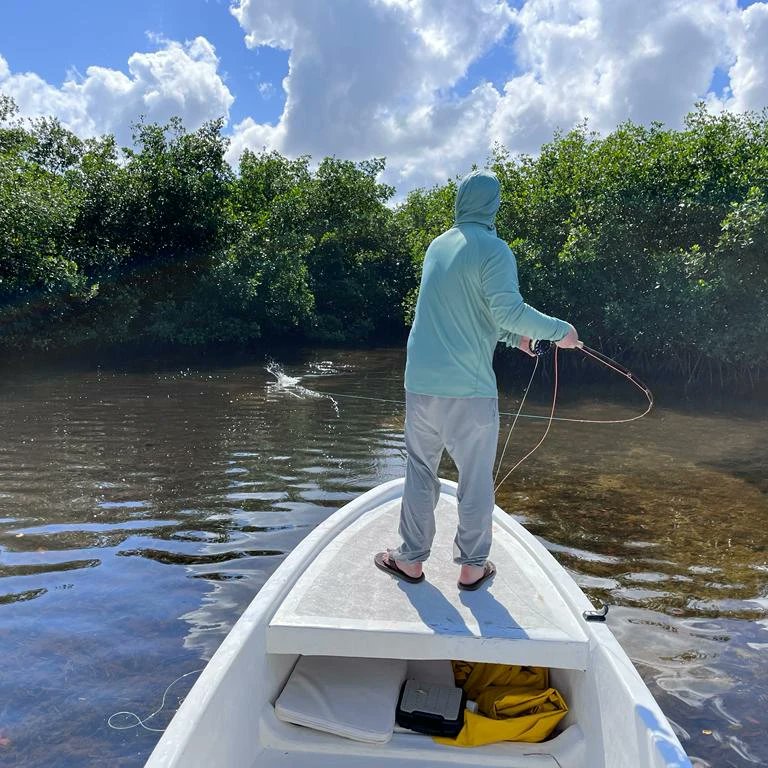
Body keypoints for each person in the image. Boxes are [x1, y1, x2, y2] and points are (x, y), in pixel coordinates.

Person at [374, 169, 579, 590]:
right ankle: (472, 566)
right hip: (469, 390)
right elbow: (505, 309)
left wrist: (514, 340)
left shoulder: (437, 246)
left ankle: (410, 559)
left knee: (419, 471)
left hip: (420, 384)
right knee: (475, 476)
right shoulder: (495, 249)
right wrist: (562, 332)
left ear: (460, 202)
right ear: (494, 206)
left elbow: (468, 312)